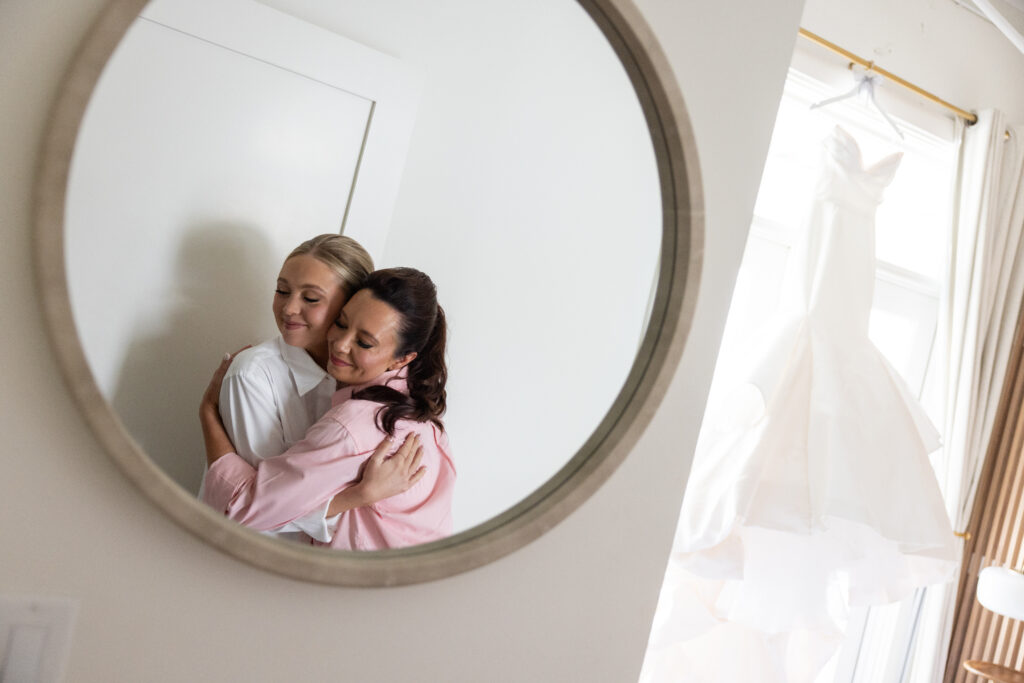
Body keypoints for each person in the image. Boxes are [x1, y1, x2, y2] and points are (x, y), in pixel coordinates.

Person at [200, 267, 456, 550]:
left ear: (402, 359)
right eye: (342, 323)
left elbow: (242, 509)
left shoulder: (353, 427)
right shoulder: (428, 424)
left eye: (364, 342)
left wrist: (209, 414)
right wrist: (358, 496)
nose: (341, 344)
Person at [210, 234, 373, 542]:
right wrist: (360, 495)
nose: (288, 309)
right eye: (282, 291)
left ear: (352, 305)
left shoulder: (374, 377)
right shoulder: (252, 375)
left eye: (310, 298)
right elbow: (259, 511)